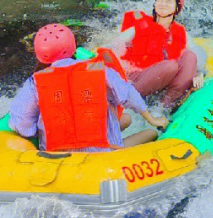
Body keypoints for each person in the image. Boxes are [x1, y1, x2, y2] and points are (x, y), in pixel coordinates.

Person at [9, 23, 169, 152]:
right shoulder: (99, 70)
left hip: (56, 155)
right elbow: (128, 95)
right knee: (151, 132)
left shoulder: (35, 81)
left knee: (126, 120)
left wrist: (37, 132)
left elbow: (22, 126)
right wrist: (152, 119)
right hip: (101, 156)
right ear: (73, 47)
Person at [116, 0, 204, 110]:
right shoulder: (139, 26)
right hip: (137, 78)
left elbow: (197, 52)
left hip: (163, 81)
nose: (163, 4)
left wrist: (199, 73)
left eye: (168, 1)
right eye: (160, 0)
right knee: (171, 66)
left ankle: (164, 107)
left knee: (190, 57)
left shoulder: (181, 32)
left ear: (176, 8)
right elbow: (116, 44)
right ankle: (129, 102)